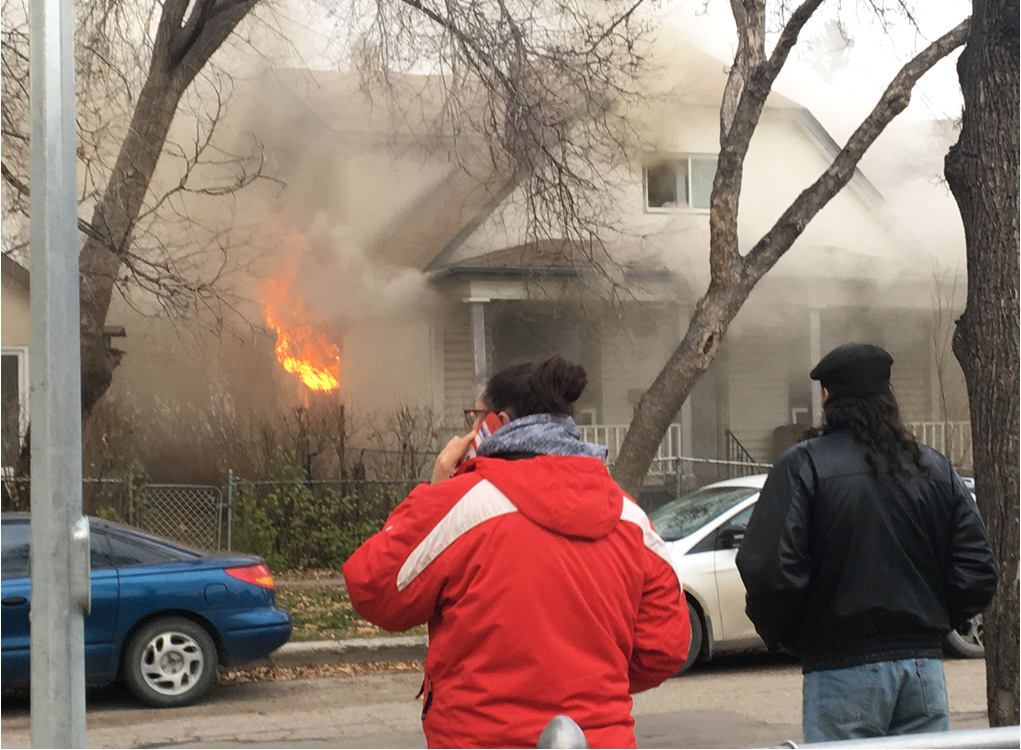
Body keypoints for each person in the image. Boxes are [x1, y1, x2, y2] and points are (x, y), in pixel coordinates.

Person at [343, 355, 690, 749]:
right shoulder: (631, 519)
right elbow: (666, 646)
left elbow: (373, 587)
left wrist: (433, 494)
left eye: (476, 416)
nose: (471, 429)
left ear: (500, 423)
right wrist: (587, 683)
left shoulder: (461, 506)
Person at [735, 342, 999, 742]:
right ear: (888, 396)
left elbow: (769, 569)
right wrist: (935, 621)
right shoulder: (934, 468)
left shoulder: (804, 465)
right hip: (922, 671)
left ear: (827, 397)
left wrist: (793, 636)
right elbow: (977, 566)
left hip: (840, 668)